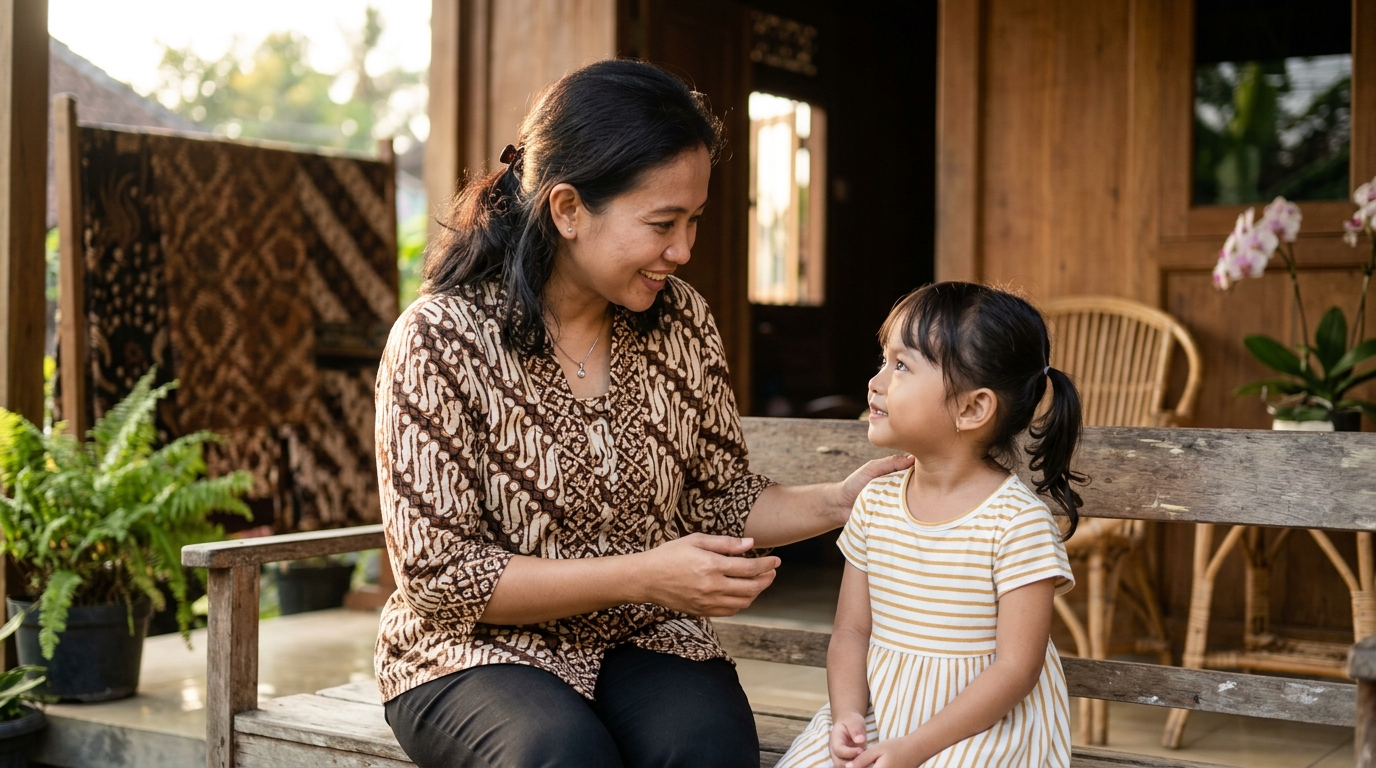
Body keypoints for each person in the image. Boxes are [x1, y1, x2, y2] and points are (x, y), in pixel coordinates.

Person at [373, 58, 910, 768]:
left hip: (642, 635)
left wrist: (840, 500)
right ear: (567, 209)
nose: (683, 251)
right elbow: (441, 578)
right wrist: (646, 573)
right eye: (662, 222)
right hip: (469, 650)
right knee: (560, 754)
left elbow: (719, 500)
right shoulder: (438, 340)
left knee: (708, 750)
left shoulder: (680, 321)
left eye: (693, 221)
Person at [776, 282, 1084, 768]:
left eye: (901, 366)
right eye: (883, 360)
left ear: (971, 408)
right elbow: (852, 632)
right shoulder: (876, 502)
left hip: (982, 732)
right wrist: (847, 716)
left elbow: (1015, 671)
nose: (875, 382)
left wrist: (913, 749)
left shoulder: (1016, 522)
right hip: (887, 718)